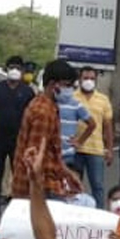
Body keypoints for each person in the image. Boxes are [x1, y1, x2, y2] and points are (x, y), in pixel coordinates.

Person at [13, 60, 83, 200]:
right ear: (52, 85)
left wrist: (67, 174)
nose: (70, 91)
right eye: (67, 85)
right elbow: (35, 159)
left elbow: (52, 153)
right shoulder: (44, 112)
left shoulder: (48, 106)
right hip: (38, 189)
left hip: (41, 185)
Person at [0, 55, 37, 216]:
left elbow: (31, 117)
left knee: (19, 178)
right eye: (11, 67)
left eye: (18, 68)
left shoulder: (28, 91)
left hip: (19, 141)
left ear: (22, 71)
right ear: (6, 69)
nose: (14, 71)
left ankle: (16, 214)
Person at [73, 67, 114, 206]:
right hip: (75, 149)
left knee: (98, 186)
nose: (88, 81)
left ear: (96, 80)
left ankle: (99, 217)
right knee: (74, 185)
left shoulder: (103, 99)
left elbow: (108, 126)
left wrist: (109, 149)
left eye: (91, 78)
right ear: (80, 79)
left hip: (96, 150)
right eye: (85, 78)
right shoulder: (72, 97)